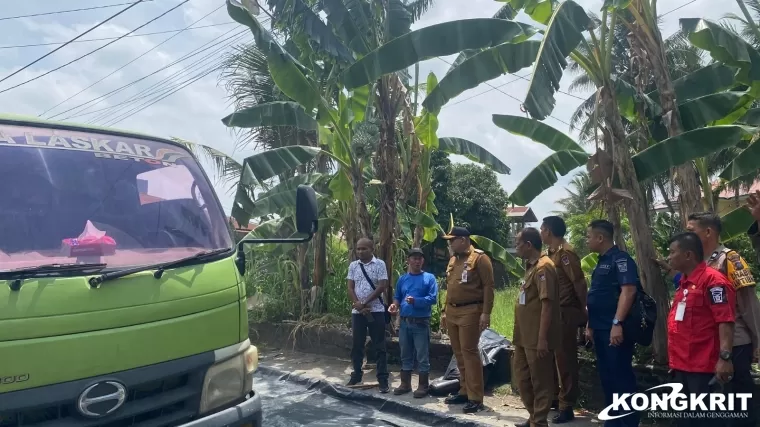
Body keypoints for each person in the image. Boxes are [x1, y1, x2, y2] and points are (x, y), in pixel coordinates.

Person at [666, 232, 736, 426]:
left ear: (688, 255)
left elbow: (725, 321)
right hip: (681, 367)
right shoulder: (683, 283)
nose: (668, 256)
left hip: (703, 368)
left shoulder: (714, 282)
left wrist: (725, 358)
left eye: (672, 252)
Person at [585, 220, 639, 427]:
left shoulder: (621, 259)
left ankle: (627, 423)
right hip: (600, 328)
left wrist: (617, 323)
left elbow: (629, 291)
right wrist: (590, 325)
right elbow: (597, 296)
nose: (587, 240)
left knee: (620, 377)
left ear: (601, 238)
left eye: (589, 236)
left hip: (614, 329)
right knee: (607, 377)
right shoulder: (601, 261)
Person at [441, 226, 495, 413]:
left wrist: (486, 313)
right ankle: (464, 390)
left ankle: (475, 397)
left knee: (470, 353)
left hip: (471, 310)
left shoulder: (480, 258)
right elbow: (450, 287)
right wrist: (444, 311)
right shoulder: (453, 259)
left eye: (452, 240)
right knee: (459, 353)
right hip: (452, 311)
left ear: (463, 240)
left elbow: (489, 286)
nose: (450, 243)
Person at [540, 216, 587, 423]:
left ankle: (567, 405)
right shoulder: (549, 254)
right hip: (551, 311)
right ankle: (554, 398)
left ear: (548, 231)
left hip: (565, 311)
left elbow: (578, 282)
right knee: (551, 358)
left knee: (565, 360)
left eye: (542, 229)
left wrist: (584, 310)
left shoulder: (565, 253)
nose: (540, 232)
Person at [513, 227, 561, 427]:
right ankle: (533, 416)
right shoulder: (531, 266)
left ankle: (539, 422)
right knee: (523, 380)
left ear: (528, 245)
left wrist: (542, 339)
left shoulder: (544, 267)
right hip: (524, 336)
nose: (516, 248)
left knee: (541, 382)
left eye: (518, 244)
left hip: (536, 337)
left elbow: (547, 304)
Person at [388, 248, 438, 398]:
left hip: (421, 323)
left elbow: (433, 299)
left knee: (422, 355)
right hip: (404, 323)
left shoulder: (429, 278)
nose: (417, 261)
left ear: (423, 261)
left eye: (420, 259)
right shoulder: (403, 279)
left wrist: (416, 301)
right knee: (405, 354)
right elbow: (398, 297)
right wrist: (394, 305)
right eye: (414, 258)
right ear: (408, 261)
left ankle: (423, 385)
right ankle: (405, 384)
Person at [346, 237, 390, 393]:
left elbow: (382, 286)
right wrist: (358, 304)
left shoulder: (380, 264)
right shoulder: (353, 266)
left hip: (376, 310)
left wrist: (365, 302)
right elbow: (350, 287)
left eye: (364, 249)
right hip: (357, 312)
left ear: (372, 249)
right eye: (358, 249)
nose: (360, 251)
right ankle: (356, 375)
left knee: (379, 346)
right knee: (357, 345)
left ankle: (383, 379)